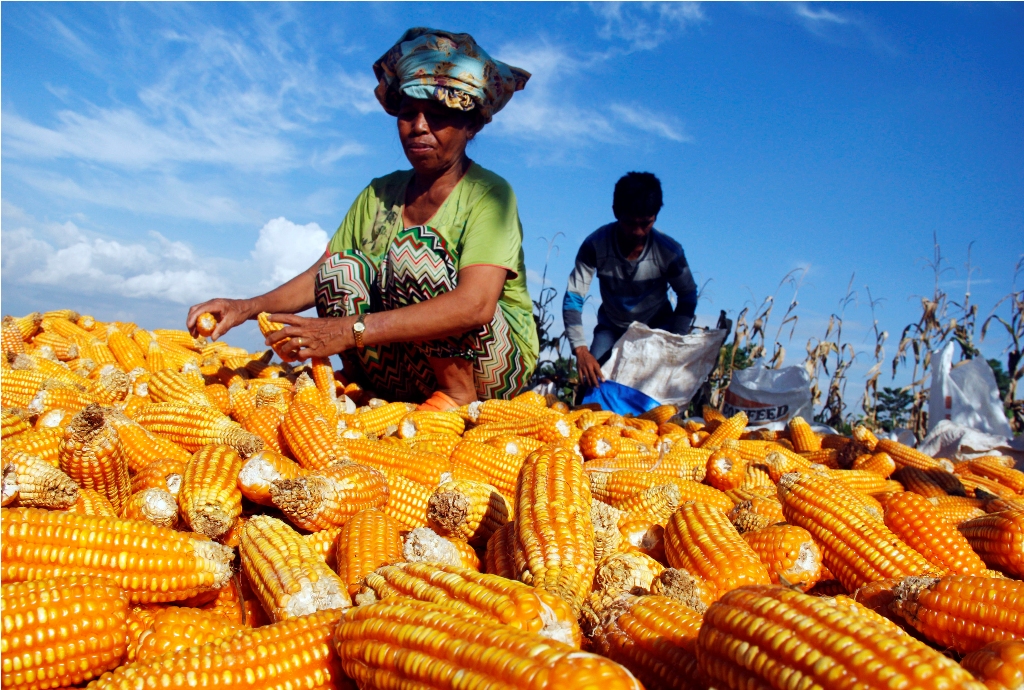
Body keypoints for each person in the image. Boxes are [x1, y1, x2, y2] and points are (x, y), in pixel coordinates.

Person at [187, 28, 538, 410]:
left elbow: (475, 305)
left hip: (491, 367)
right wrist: (245, 307)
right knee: (341, 268)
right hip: (405, 362)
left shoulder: (490, 194)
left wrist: (347, 330)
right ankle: (367, 385)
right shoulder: (378, 193)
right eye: (407, 114)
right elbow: (317, 276)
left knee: (413, 252)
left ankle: (455, 395)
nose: (419, 127)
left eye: (438, 115)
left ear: (472, 125)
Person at [562, 172, 698, 388]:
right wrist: (580, 349)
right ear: (615, 212)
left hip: (656, 329)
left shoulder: (669, 252)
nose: (637, 232)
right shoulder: (595, 245)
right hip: (612, 327)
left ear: (656, 216)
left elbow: (688, 294)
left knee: (656, 394)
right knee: (593, 384)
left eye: (646, 224)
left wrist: (675, 341)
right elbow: (574, 297)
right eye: (629, 223)